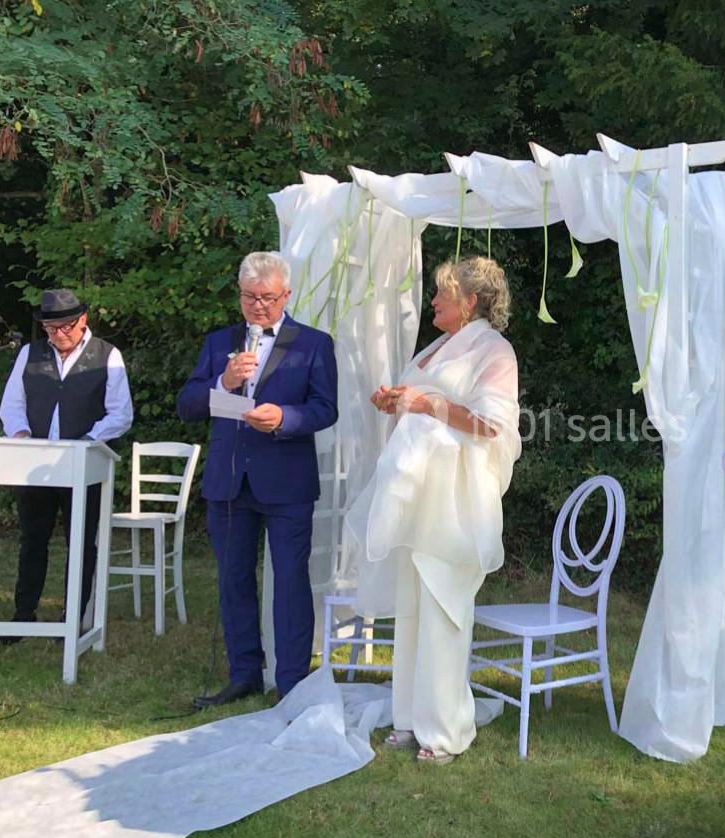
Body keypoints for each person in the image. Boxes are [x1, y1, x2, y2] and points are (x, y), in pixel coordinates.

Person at [347, 255, 521, 764]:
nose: (433, 301)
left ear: (469, 302)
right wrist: (397, 401)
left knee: (444, 608)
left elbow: (493, 426)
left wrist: (426, 406)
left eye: (442, 294)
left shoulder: (494, 351)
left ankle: (444, 731)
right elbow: (422, 405)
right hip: (417, 497)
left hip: (454, 499)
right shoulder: (438, 347)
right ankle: (408, 718)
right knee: (413, 608)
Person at [178, 251, 338, 707]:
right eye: (250, 297)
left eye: (267, 298)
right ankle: (244, 672)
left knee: (289, 581)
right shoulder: (219, 343)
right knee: (233, 580)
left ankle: (290, 681)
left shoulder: (312, 344)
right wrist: (223, 383)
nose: (258, 306)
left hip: (286, 481)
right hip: (230, 482)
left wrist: (284, 417)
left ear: (286, 295)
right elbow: (187, 405)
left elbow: (326, 408)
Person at [0, 288, 134, 640]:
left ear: (82, 320)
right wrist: (21, 435)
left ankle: (72, 617)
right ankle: (23, 614)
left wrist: (87, 441)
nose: (58, 334)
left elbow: (121, 413)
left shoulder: (107, 355)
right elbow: (12, 403)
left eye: (64, 327)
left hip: (83, 462)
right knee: (32, 539)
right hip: (36, 463)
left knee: (82, 541)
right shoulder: (30, 354)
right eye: (50, 328)